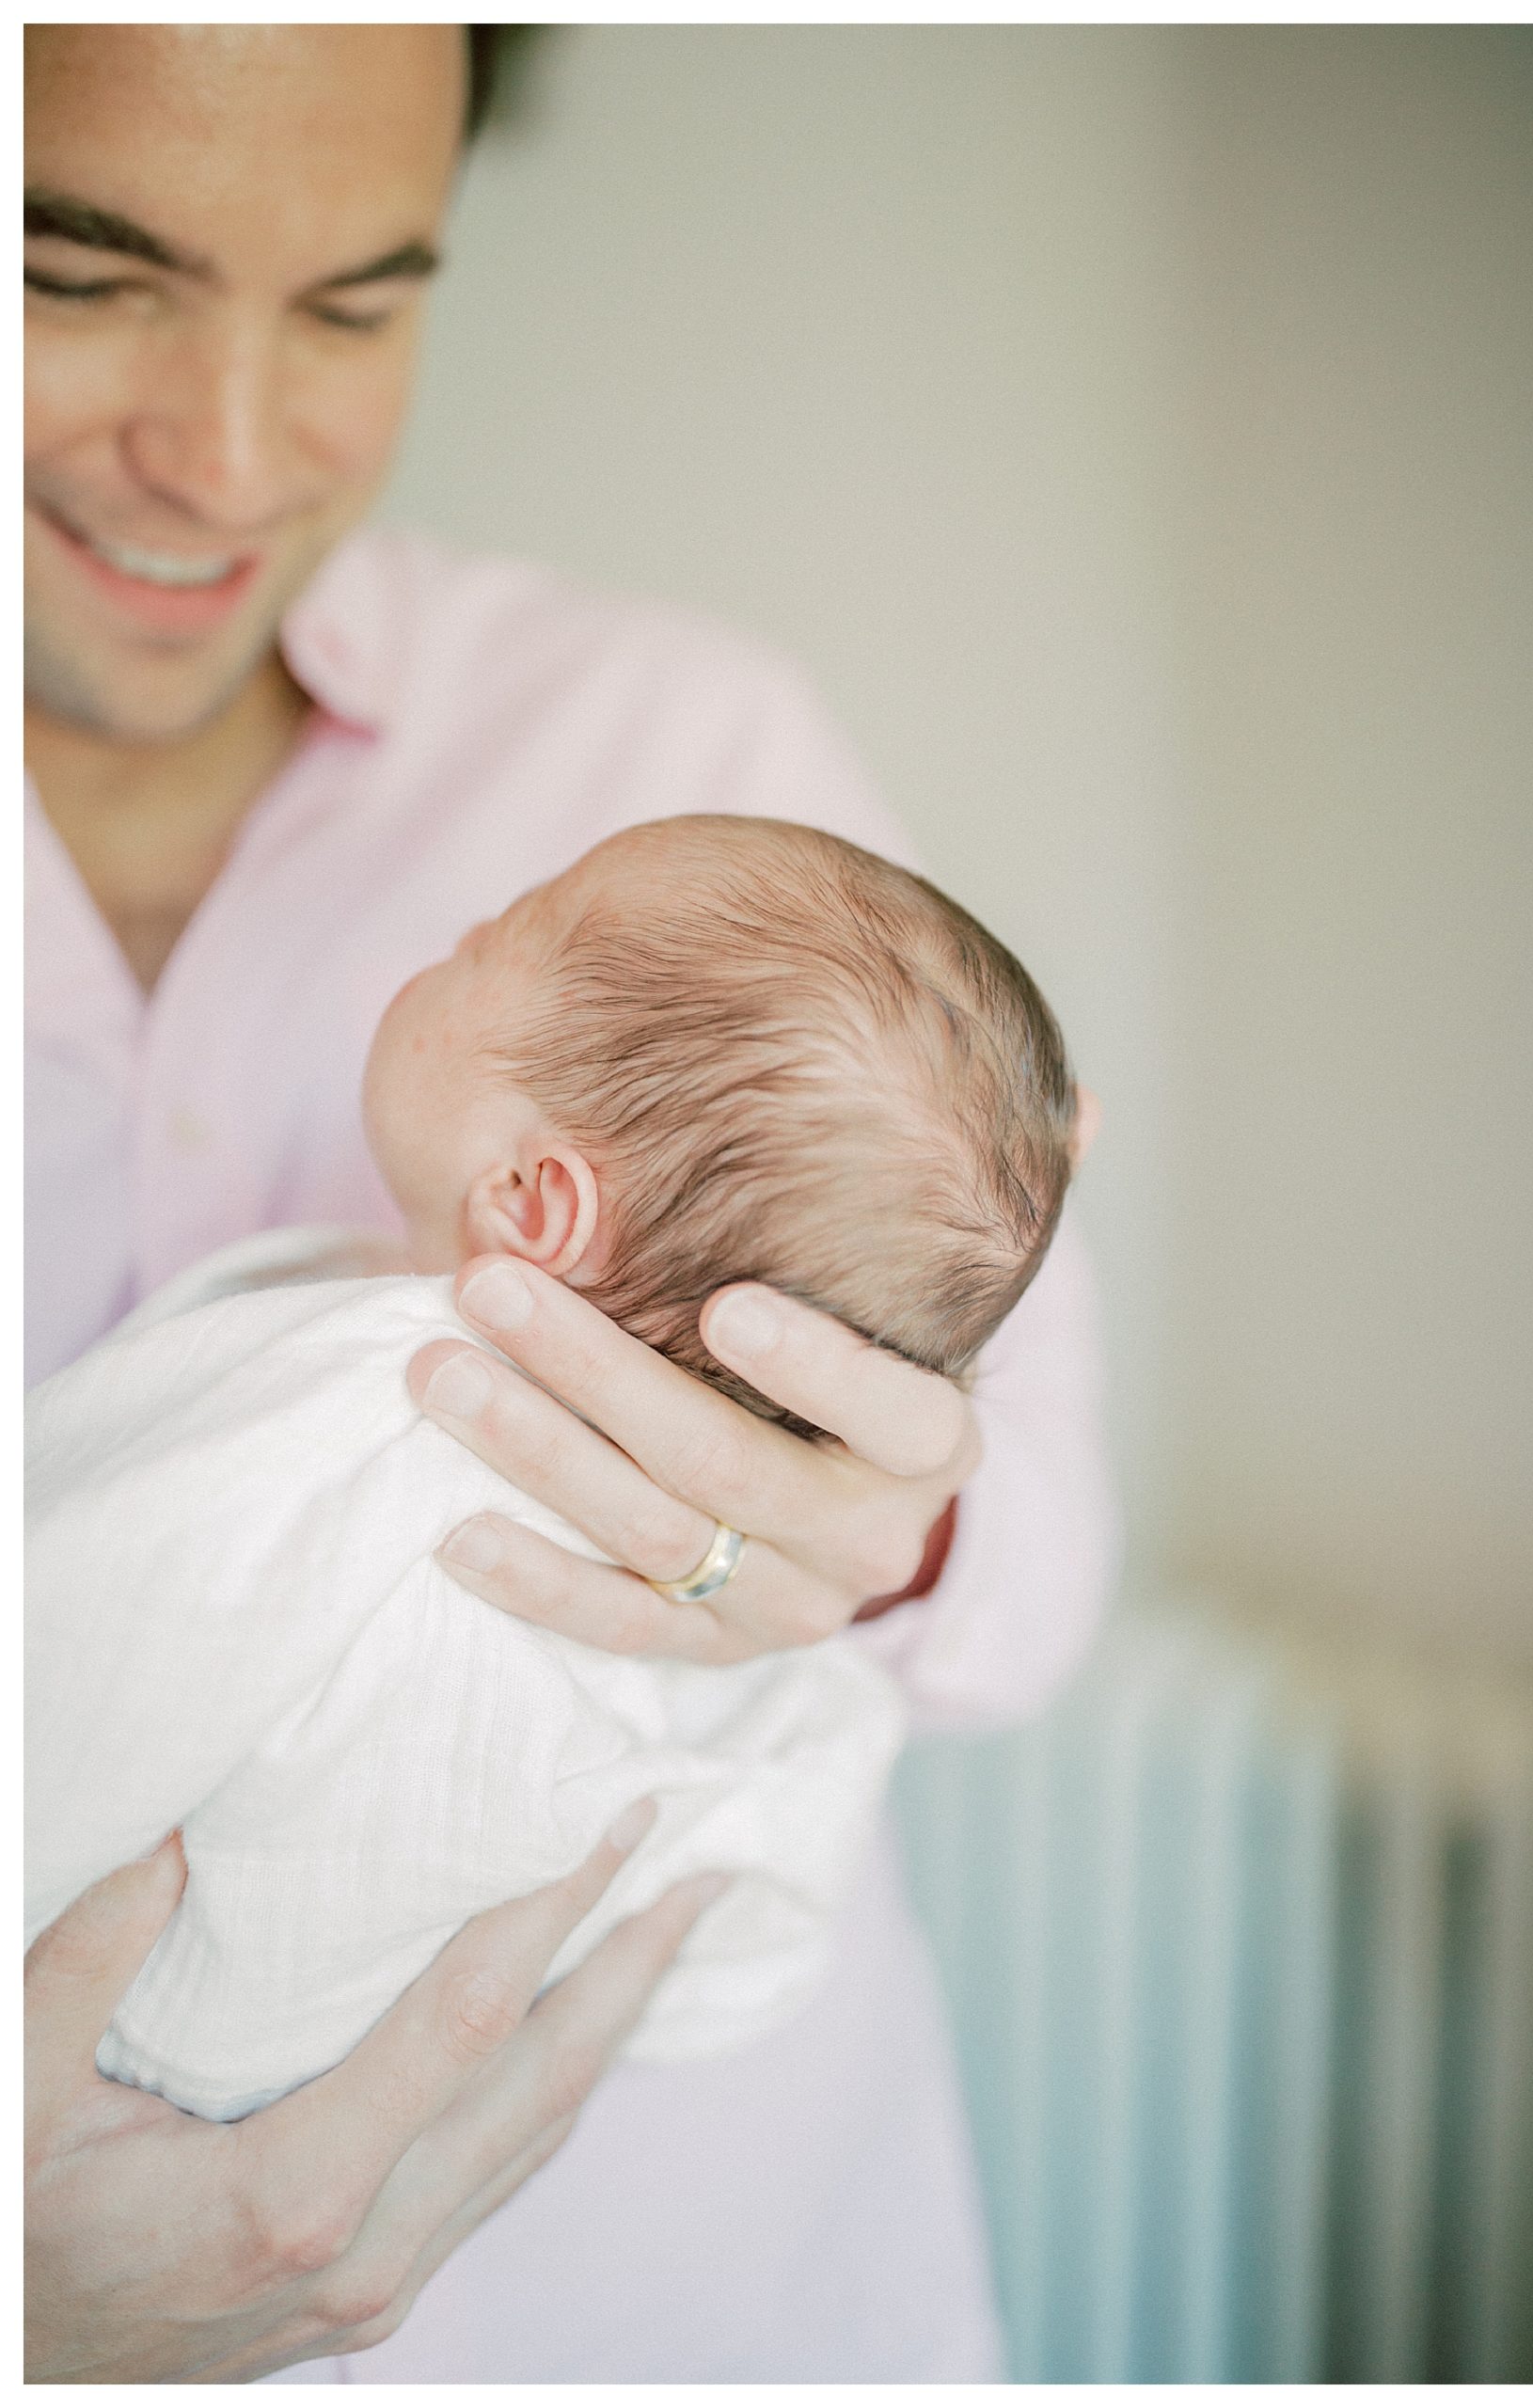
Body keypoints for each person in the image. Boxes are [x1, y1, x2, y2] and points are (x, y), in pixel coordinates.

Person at [24, 23, 1114, 2384]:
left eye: (354, 302)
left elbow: (1026, 1584)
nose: (220, 451)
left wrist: (860, 1520)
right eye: (68, 270)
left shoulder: (699, 776)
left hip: (684, 2315)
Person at [30, 812, 1095, 2127]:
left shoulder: (371, 1399)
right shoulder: (766, 1681)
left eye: (491, 939)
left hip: (125, 2027)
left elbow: (75, 1634)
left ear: (533, 1202)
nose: (454, 939)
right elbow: (745, 1933)